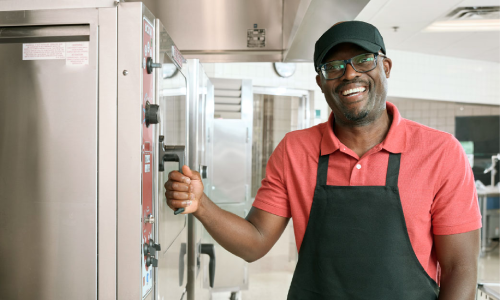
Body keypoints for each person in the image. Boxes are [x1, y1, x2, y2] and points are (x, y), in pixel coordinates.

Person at [165, 21, 481, 299]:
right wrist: (201, 205)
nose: (349, 73)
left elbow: (460, 268)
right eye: (333, 66)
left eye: (363, 60)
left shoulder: (440, 152)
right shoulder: (294, 150)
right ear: (321, 82)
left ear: (385, 67)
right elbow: (256, 242)